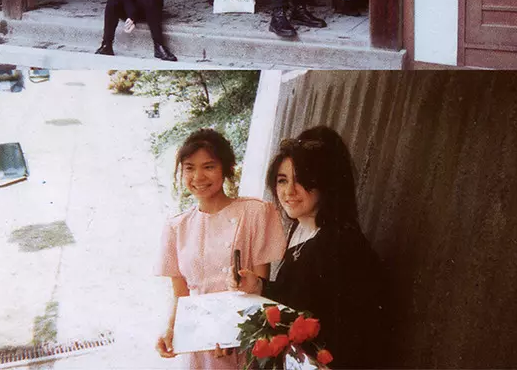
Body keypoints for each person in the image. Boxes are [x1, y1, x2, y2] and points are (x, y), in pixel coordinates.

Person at [234, 126, 386, 369]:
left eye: (301, 181)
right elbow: (296, 299)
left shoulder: (341, 242)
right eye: (282, 180)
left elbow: (355, 328)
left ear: (324, 184)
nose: (288, 191)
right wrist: (259, 286)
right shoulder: (301, 229)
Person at [155, 128, 286, 369]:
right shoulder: (177, 227)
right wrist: (170, 329)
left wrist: (230, 333)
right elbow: (181, 295)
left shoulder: (254, 213)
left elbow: (260, 290)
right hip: (199, 342)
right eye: (189, 168)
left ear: (226, 168)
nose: (198, 177)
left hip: (244, 339)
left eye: (209, 166)